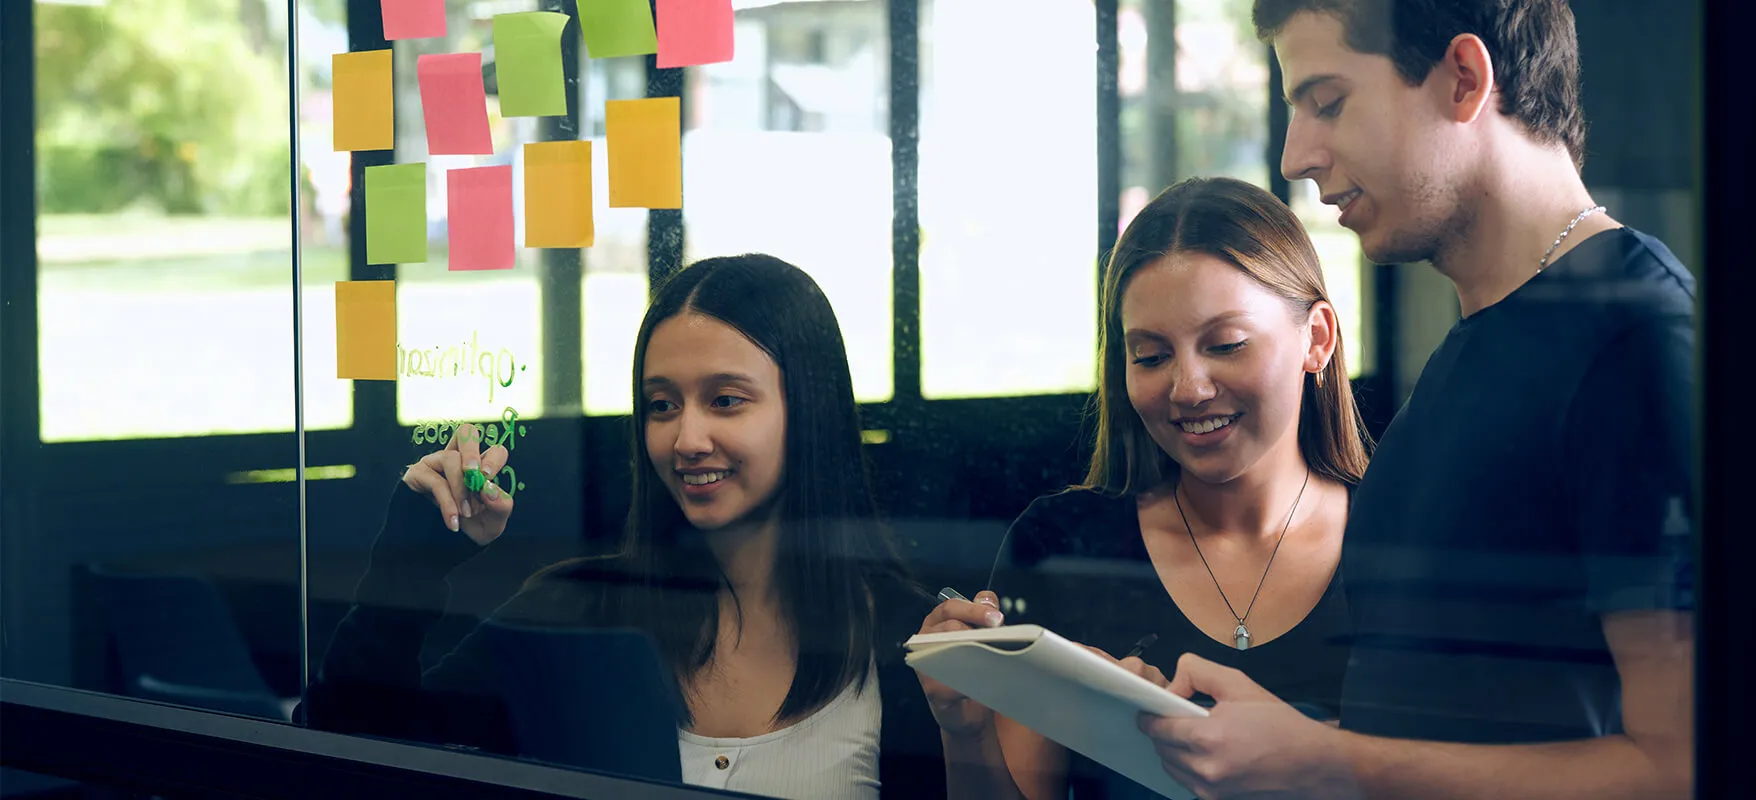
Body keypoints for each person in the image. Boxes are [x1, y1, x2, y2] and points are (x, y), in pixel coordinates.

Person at [1133, 2, 1698, 798]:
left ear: (1464, 79)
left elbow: (1686, 769)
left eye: (1327, 102)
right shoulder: (1473, 347)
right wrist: (1277, 739)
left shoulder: (1633, 341)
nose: (1296, 155)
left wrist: (1328, 758)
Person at [302, 254, 947, 799]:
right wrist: (412, 556)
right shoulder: (578, 609)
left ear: (808, 410)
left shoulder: (909, 639)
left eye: (726, 400)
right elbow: (341, 756)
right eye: (662, 405)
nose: (687, 438)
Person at [919, 177, 1372, 799]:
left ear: (1316, 339)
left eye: (1226, 345)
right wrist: (965, 731)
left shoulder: (1404, 539)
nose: (1188, 389)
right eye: (1151, 356)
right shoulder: (1061, 548)